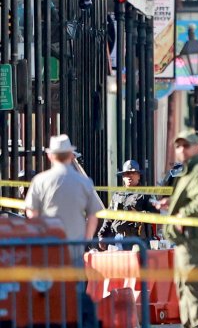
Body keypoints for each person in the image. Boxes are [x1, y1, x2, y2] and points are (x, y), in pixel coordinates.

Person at [25, 134, 104, 326]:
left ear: (50, 156)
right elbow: (96, 213)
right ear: (70, 155)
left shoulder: (40, 181)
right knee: (74, 297)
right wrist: (87, 238)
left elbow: (31, 213)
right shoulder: (83, 182)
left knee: (47, 295)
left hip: (48, 249)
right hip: (74, 249)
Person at [154, 130, 198, 328]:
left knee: (193, 285)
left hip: (193, 238)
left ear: (197, 147)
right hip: (185, 239)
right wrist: (171, 202)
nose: (182, 149)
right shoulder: (188, 170)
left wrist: (183, 214)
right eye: (178, 146)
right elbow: (192, 198)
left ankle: (197, 324)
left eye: (186, 145)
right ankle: (190, 323)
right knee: (184, 284)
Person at [98, 159, 159, 250]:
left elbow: (156, 214)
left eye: (133, 173)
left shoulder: (146, 194)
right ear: (123, 177)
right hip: (119, 240)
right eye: (127, 174)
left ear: (138, 176)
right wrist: (102, 235)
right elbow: (109, 217)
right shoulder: (117, 195)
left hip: (139, 241)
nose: (130, 176)